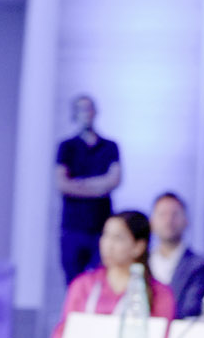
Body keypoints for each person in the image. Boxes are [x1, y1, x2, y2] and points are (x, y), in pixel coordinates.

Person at [51, 210, 175, 338]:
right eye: (105, 235)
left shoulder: (159, 293)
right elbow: (63, 331)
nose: (108, 245)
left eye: (118, 238)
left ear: (138, 247)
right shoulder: (83, 285)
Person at [56, 94, 123, 283]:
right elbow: (63, 184)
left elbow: (114, 181)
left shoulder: (110, 147)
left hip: (101, 227)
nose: (86, 113)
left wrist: (80, 183)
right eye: (81, 109)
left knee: (103, 280)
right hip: (73, 227)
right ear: (74, 114)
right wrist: (99, 186)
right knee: (74, 283)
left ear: (95, 112)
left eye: (89, 108)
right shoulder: (67, 147)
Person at [147, 191, 204, 319]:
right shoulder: (140, 262)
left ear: (186, 221)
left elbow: (190, 309)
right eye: (162, 215)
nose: (168, 220)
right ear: (152, 222)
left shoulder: (202, 266)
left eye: (175, 214)